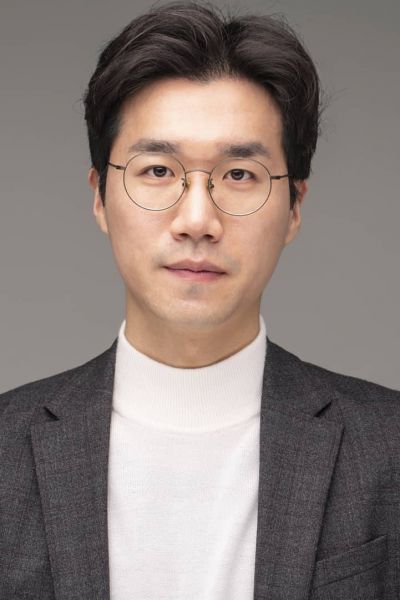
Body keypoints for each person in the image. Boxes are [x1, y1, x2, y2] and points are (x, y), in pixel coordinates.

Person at [1, 2, 399, 598]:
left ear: (294, 207)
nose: (196, 220)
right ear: (100, 196)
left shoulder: (388, 449)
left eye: (239, 175)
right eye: (158, 170)